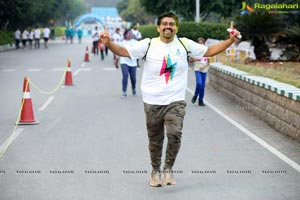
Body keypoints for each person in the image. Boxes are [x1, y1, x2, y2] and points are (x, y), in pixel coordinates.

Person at [100, 11, 241, 187]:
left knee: (175, 134)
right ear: (158, 27)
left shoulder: (184, 44)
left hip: (176, 101)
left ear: (176, 27)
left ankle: (168, 168)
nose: (168, 26)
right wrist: (109, 43)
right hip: (152, 102)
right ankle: (155, 171)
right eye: (165, 23)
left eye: (171, 24)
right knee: (155, 140)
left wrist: (230, 41)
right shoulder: (149, 44)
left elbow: (210, 51)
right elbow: (123, 51)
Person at [190, 38, 210, 106]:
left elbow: (208, 63)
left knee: (202, 86)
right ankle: (195, 95)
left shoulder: (207, 51)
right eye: (199, 43)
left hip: (204, 70)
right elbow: (190, 60)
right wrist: (195, 59)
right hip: (197, 69)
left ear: (204, 44)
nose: (200, 44)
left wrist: (204, 67)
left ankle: (200, 101)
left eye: (202, 42)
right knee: (199, 83)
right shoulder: (195, 52)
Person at [119, 29, 138, 98]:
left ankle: (133, 88)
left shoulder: (135, 42)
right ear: (125, 34)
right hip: (124, 61)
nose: (129, 35)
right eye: (128, 33)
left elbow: (138, 51)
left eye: (130, 33)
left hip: (133, 63)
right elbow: (118, 51)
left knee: (133, 78)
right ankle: (124, 92)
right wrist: (116, 60)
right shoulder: (121, 43)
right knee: (125, 75)